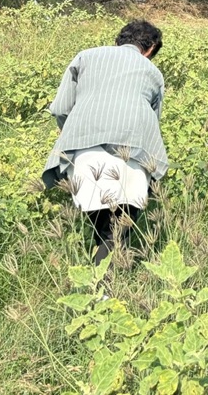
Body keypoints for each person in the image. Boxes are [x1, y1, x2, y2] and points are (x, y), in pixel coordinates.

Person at [41, 20, 167, 265]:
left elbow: (59, 109)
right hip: (134, 149)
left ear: (118, 40)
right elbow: (155, 120)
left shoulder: (86, 57)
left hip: (84, 147)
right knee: (118, 230)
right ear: (150, 49)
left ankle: (98, 287)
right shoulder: (153, 72)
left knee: (102, 225)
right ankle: (102, 290)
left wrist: (75, 133)